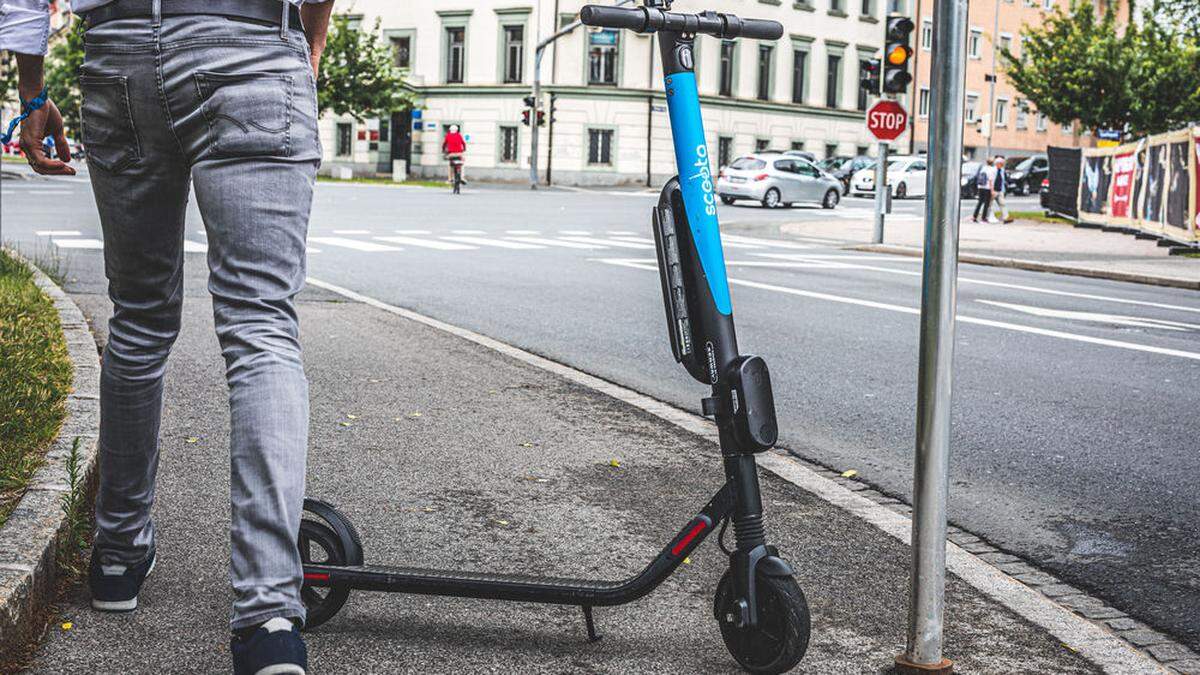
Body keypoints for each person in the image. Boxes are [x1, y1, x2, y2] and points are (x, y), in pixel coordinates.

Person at [1, 1, 334, 672]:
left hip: (120, 53)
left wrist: (32, 90)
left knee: (139, 316)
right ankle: (267, 616)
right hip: (248, 39)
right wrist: (310, 44)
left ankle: (118, 555)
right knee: (261, 325)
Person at [971, 158, 994, 223]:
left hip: (980, 187)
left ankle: (974, 216)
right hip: (987, 188)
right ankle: (983, 218)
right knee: (986, 204)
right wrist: (992, 190)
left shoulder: (983, 168)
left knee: (980, 202)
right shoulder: (991, 170)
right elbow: (990, 180)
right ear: (992, 163)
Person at [992, 155, 1014, 223]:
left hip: (1000, 190)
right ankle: (988, 217)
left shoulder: (1002, 170)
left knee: (1003, 204)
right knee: (990, 205)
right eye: (1000, 164)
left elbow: (1005, 180)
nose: (1001, 165)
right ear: (997, 163)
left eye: (1002, 164)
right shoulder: (993, 170)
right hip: (993, 190)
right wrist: (991, 190)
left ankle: (1006, 218)